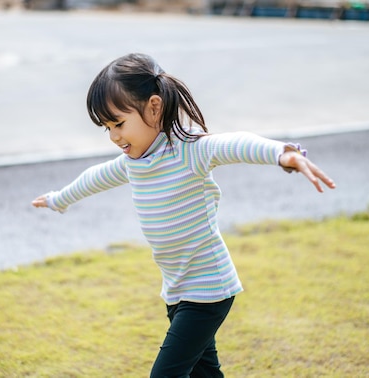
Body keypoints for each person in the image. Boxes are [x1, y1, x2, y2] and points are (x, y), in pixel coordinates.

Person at [32, 52, 335, 377]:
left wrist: (282, 153)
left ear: (154, 106)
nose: (115, 136)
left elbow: (235, 144)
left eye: (119, 123)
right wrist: (57, 200)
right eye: (107, 128)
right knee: (205, 373)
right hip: (176, 289)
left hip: (207, 290)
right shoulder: (134, 164)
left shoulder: (189, 151)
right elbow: (94, 178)